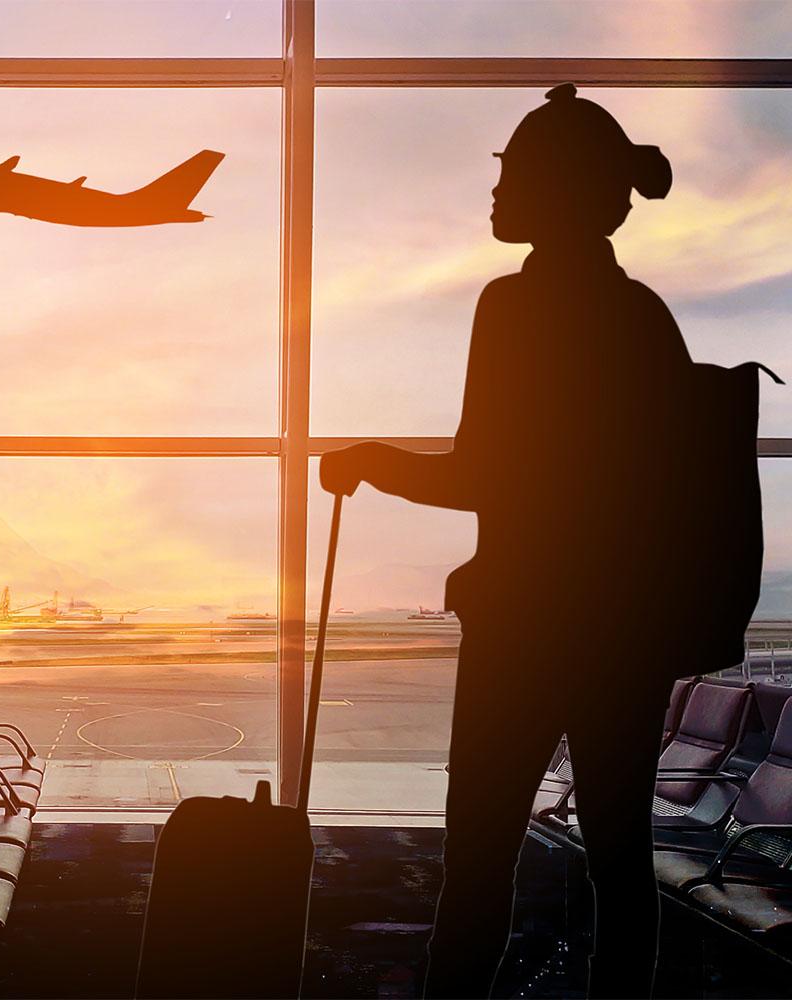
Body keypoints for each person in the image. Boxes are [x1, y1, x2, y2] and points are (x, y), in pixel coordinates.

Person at [320, 84, 690, 999]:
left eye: (514, 171)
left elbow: (487, 475)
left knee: (480, 858)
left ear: (556, 189)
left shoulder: (517, 307)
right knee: (620, 857)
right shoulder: (643, 317)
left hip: (525, 626)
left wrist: (373, 460)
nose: (495, 190)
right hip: (625, 635)